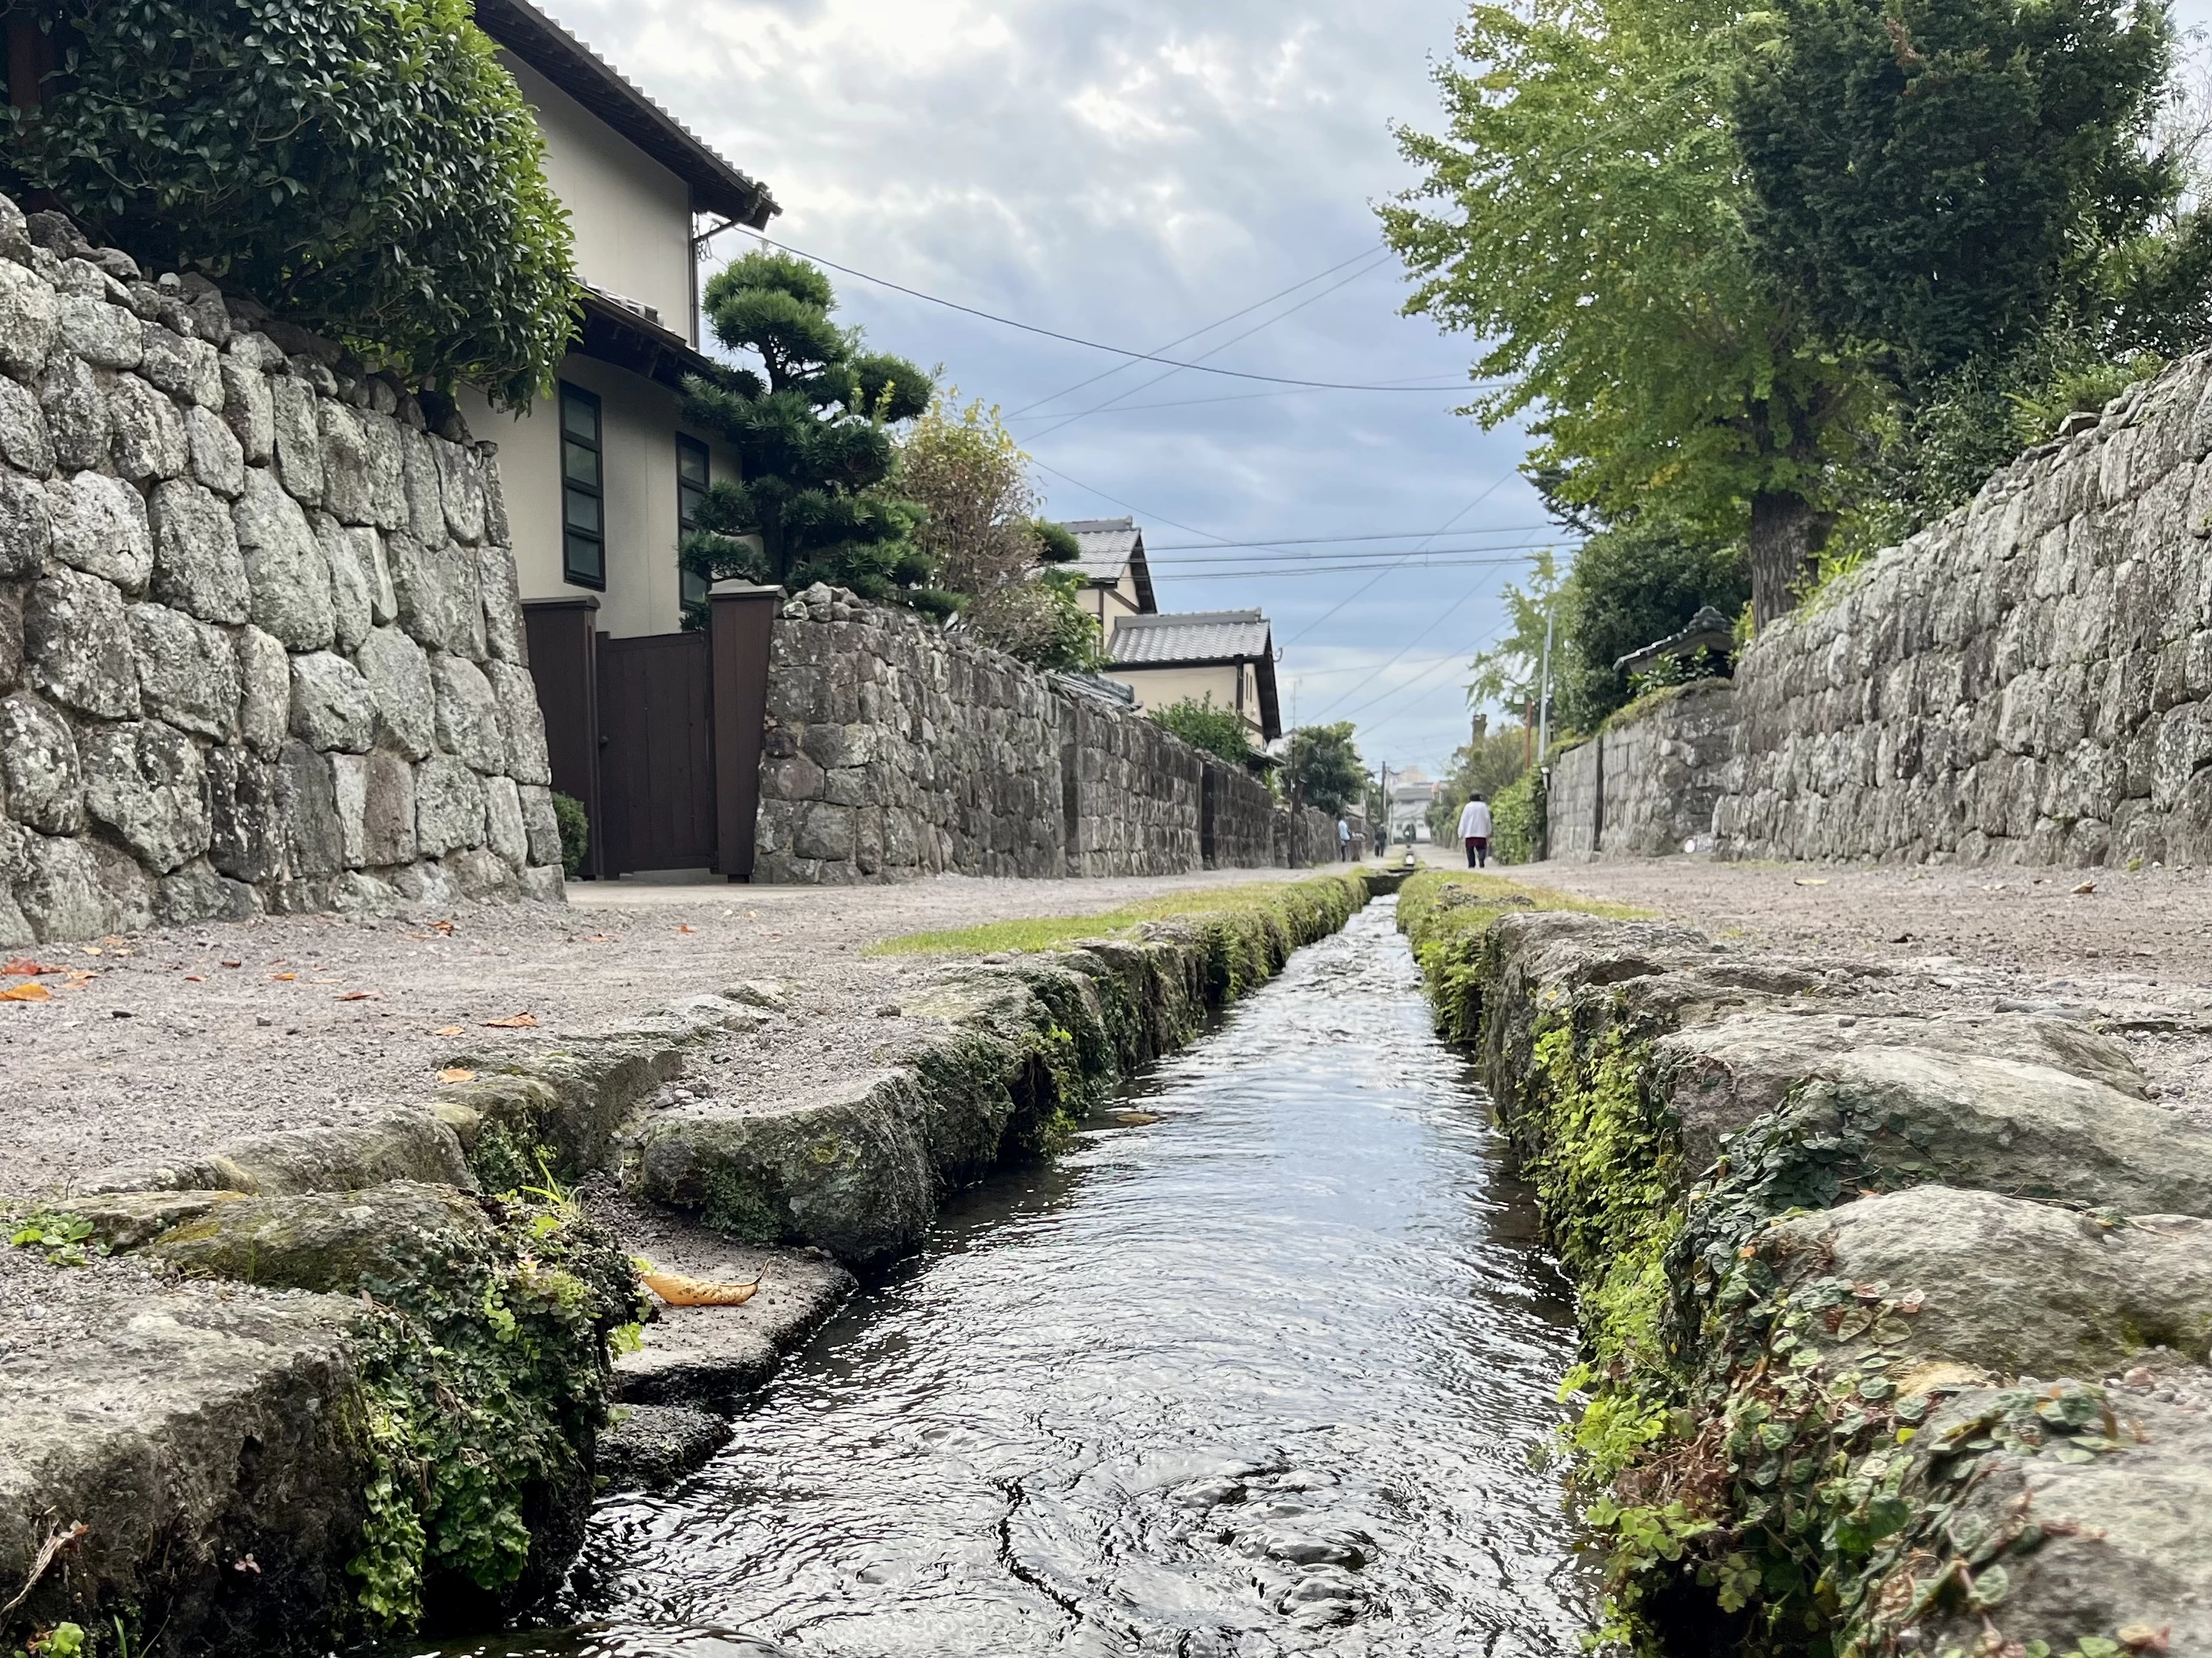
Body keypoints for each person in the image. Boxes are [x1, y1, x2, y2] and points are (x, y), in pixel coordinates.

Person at [1456, 793, 1492, 868]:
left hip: (1469, 833)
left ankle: (1471, 864)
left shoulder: (1468, 806)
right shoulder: (1483, 806)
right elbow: (1487, 819)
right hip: (1481, 833)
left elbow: (1464, 820)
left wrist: (1461, 832)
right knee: (1482, 848)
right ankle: (1481, 860)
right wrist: (1489, 831)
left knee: (1470, 850)